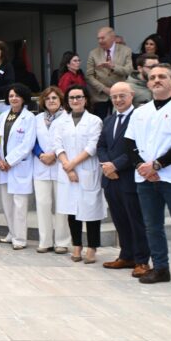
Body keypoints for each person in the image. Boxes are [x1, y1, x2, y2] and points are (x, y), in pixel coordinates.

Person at [125, 63, 171, 295]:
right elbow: (129, 144)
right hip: (146, 179)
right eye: (153, 77)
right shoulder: (140, 112)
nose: (157, 80)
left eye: (162, 77)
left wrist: (157, 165)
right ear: (147, 83)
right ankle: (160, 268)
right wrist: (141, 166)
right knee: (152, 227)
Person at [97, 82, 151, 277]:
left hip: (129, 177)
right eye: (114, 97)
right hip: (111, 179)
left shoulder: (140, 118)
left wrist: (115, 165)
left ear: (132, 95)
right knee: (120, 220)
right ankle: (126, 255)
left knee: (136, 220)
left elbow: (137, 148)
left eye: (122, 96)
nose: (118, 100)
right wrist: (106, 165)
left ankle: (142, 260)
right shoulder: (109, 120)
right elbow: (101, 146)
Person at [53, 84, 105, 264]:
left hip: (87, 170)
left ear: (86, 99)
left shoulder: (95, 121)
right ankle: (77, 245)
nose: (75, 100)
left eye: (79, 97)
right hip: (67, 170)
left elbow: (92, 146)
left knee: (91, 211)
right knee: (71, 210)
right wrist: (67, 166)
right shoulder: (61, 121)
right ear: (67, 101)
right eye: (72, 98)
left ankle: (92, 247)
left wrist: (72, 165)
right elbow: (57, 145)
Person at [0, 83, 36, 250]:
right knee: (7, 203)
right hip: (3, 166)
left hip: (18, 166)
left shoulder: (30, 118)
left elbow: (27, 144)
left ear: (23, 98)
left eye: (17, 96)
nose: (14, 98)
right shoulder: (3, 116)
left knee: (19, 205)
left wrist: (9, 161)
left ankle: (20, 238)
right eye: (11, 95)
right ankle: (12, 232)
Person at [32, 86, 71, 254]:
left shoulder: (67, 118)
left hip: (60, 166)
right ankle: (45, 241)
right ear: (43, 101)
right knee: (42, 204)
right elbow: (31, 141)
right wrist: (41, 155)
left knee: (62, 205)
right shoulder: (37, 118)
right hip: (41, 166)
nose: (51, 101)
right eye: (48, 99)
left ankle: (62, 241)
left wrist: (54, 155)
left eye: (54, 98)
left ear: (60, 100)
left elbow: (69, 141)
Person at [85, 26, 133, 119]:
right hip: (99, 96)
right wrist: (104, 88)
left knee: (119, 120)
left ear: (112, 38)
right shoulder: (93, 53)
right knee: (100, 123)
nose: (100, 41)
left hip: (120, 94)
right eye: (98, 38)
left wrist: (113, 67)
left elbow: (129, 70)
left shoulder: (125, 50)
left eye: (102, 38)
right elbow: (89, 76)